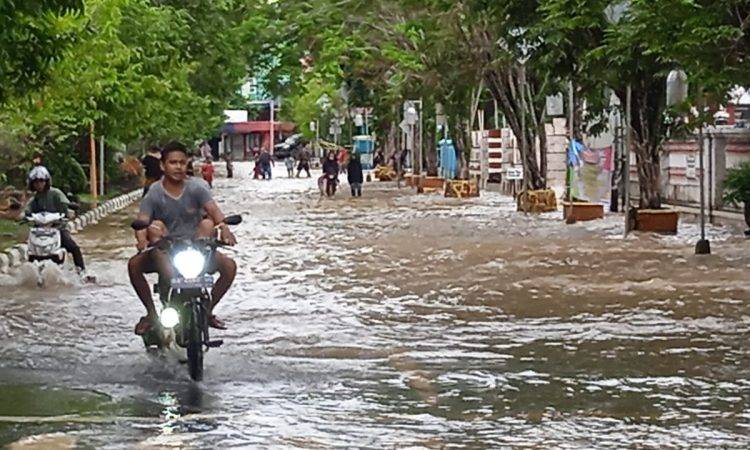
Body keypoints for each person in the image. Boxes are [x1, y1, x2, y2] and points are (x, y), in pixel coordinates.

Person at [127, 141, 238, 336]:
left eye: (182, 162)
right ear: (163, 165)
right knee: (134, 264)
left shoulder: (198, 188)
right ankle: (151, 314)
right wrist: (142, 240)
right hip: (166, 250)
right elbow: (143, 220)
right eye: (173, 162)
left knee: (229, 265)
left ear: (187, 164)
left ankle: (207, 311)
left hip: (196, 250)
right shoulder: (154, 192)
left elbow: (214, 211)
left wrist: (225, 229)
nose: (178, 167)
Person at [24, 166, 89, 277]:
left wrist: (70, 209)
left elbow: (65, 204)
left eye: (41, 181)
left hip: (58, 228)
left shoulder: (56, 193)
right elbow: (27, 210)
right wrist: (24, 216)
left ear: (46, 181)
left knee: (73, 247)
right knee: (30, 249)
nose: (38, 184)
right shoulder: (34, 199)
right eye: (35, 182)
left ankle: (82, 273)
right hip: (39, 230)